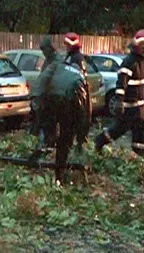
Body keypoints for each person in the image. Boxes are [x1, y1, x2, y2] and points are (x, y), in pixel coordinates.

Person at [95, 29, 144, 156]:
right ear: (140, 46)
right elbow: (121, 84)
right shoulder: (129, 62)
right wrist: (119, 101)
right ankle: (99, 142)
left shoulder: (141, 62)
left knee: (140, 134)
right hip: (129, 109)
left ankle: (140, 158)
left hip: (139, 109)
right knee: (118, 130)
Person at [33, 52, 89, 184]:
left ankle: (44, 145)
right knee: (66, 138)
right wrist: (81, 137)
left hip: (50, 99)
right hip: (69, 102)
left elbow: (43, 84)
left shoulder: (59, 68)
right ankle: (59, 175)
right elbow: (85, 111)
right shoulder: (80, 78)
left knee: (48, 128)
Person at [30, 37, 63, 156]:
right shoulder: (48, 60)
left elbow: (45, 78)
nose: (43, 52)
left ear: (50, 48)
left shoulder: (57, 61)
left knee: (50, 124)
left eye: (44, 49)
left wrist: (36, 94)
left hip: (52, 97)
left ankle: (49, 147)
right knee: (41, 123)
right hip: (45, 97)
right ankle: (42, 147)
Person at [63, 32, 91, 153]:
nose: (66, 47)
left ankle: (79, 148)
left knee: (79, 122)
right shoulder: (70, 57)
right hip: (72, 95)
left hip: (78, 95)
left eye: (67, 44)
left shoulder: (77, 58)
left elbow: (78, 77)